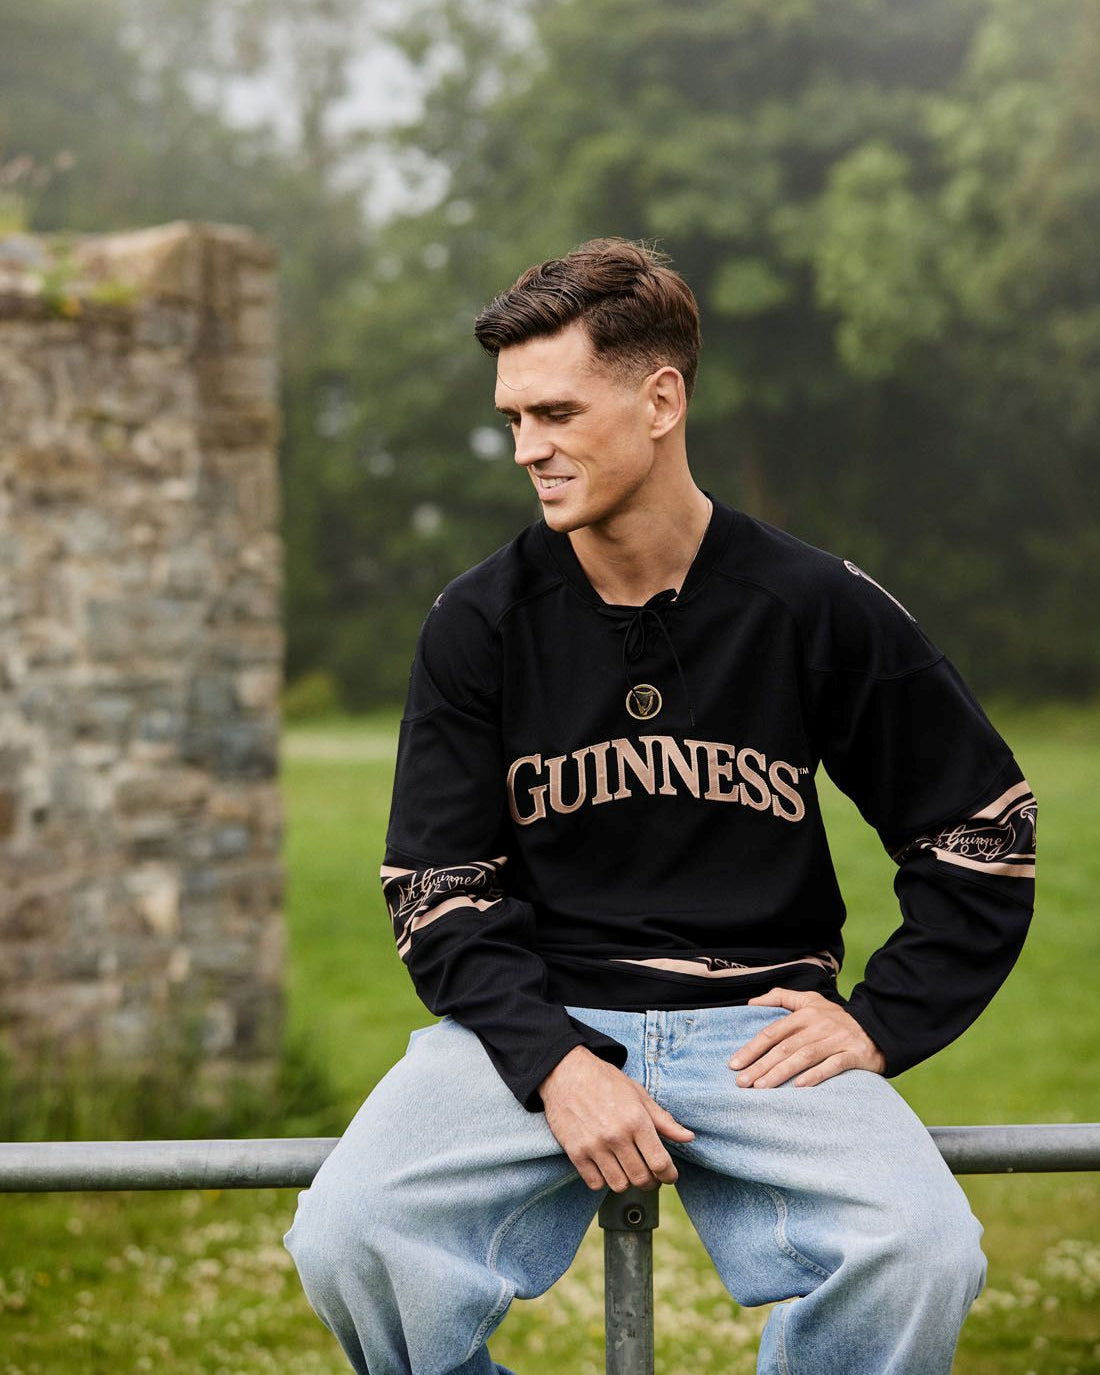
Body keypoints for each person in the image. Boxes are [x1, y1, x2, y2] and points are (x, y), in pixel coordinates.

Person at [285, 239, 1036, 1375]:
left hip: (758, 1030)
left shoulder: (811, 605)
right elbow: (436, 885)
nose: (528, 449)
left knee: (920, 1250)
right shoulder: (477, 621)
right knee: (346, 1235)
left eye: (554, 411)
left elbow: (978, 827)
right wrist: (553, 1061)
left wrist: (883, 1020)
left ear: (659, 399)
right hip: (537, 1023)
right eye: (511, 420)